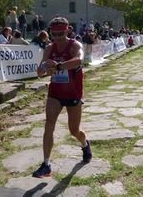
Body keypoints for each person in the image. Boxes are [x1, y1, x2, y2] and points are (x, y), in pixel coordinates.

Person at [32, 17, 92, 178]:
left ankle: (85, 144)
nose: (57, 37)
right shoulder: (49, 48)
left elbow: (79, 60)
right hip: (55, 93)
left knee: (74, 131)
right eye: (54, 34)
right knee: (49, 124)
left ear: (67, 31)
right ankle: (46, 164)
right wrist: (45, 68)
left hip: (73, 93)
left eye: (61, 34)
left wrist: (57, 65)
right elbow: (39, 71)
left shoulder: (75, 45)